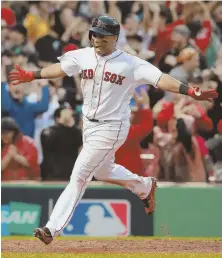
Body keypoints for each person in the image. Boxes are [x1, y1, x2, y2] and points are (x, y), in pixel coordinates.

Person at [8, 15, 218, 245]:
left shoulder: (131, 64)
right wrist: (32, 75)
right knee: (103, 171)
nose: (97, 39)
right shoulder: (84, 55)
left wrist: (190, 91)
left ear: (115, 38)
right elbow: (61, 68)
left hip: (112, 126)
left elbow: (161, 79)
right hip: (88, 125)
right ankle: (144, 186)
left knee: (80, 175)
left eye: (103, 36)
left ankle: (52, 228)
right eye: (95, 34)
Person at [40, 104, 82, 181]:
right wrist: (62, 123)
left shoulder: (74, 133)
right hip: (51, 177)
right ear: (57, 118)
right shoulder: (49, 132)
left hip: (71, 176)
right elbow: (48, 141)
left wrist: (72, 126)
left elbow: (80, 140)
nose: (69, 118)